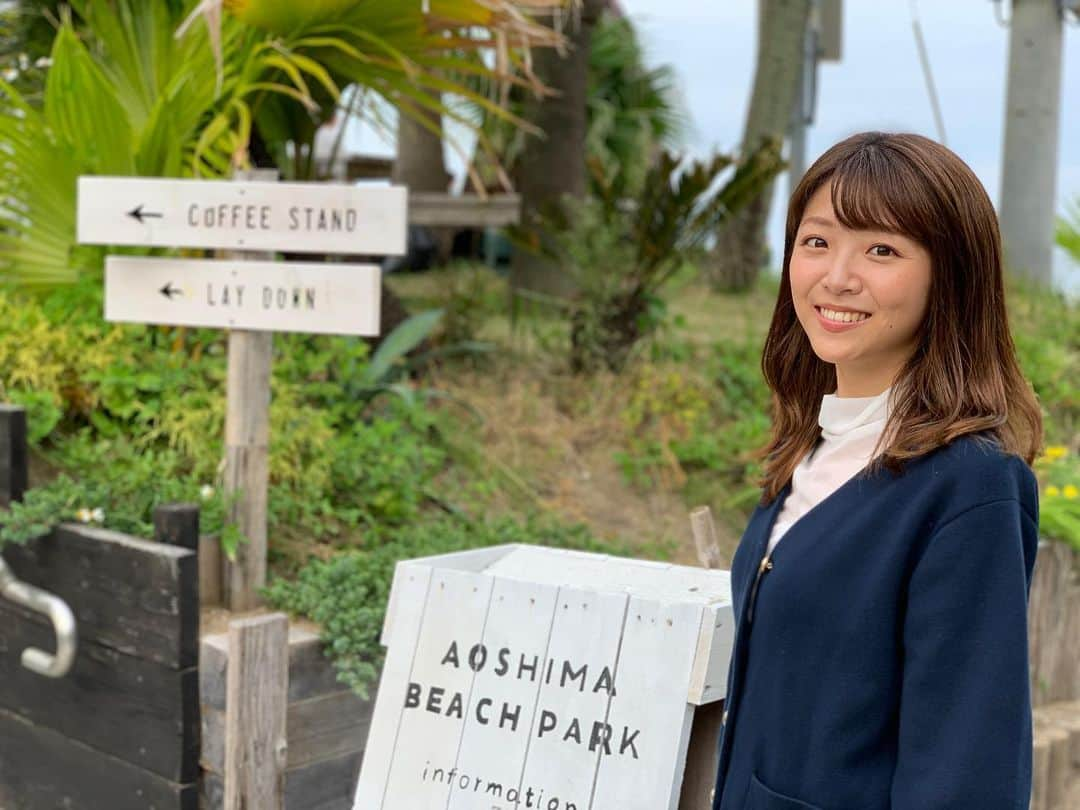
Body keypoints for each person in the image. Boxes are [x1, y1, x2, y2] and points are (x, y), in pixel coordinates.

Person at [711, 131, 1043, 810]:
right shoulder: (814, 449)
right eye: (817, 241)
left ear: (949, 277)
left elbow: (966, 767)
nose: (837, 276)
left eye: (883, 250)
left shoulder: (969, 486)